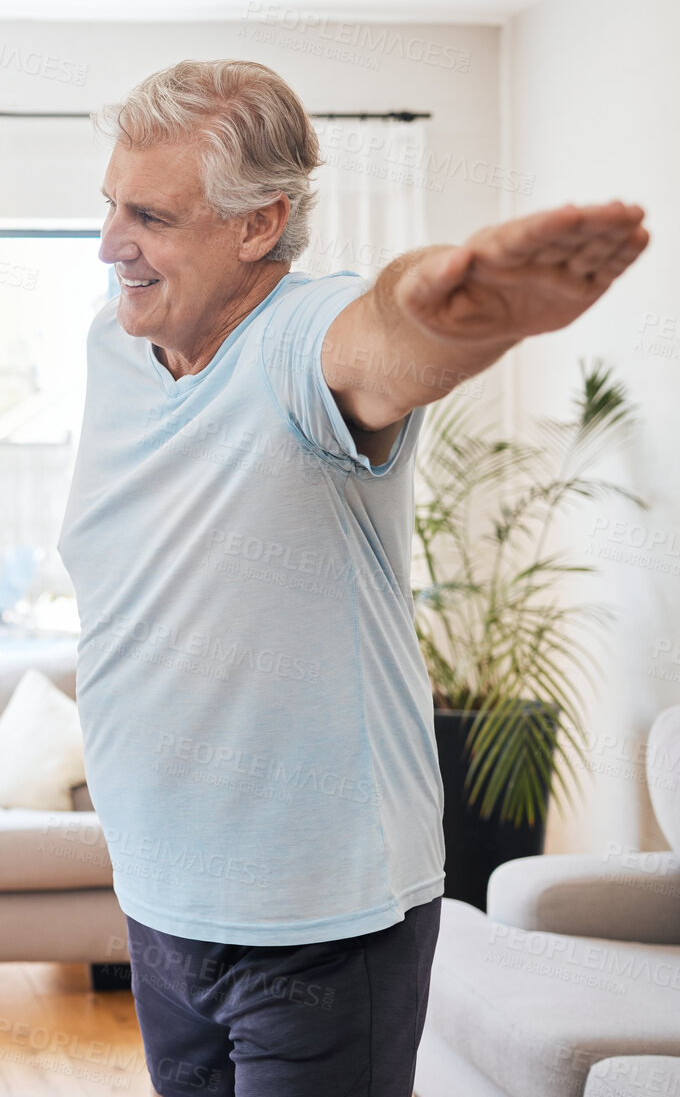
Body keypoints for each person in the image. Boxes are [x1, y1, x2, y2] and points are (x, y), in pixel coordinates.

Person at [57, 59, 647, 1097]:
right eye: (110, 205)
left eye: (147, 215)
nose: (110, 243)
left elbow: (388, 341)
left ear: (257, 224)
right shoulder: (115, 343)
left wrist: (464, 310)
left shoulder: (296, 338)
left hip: (314, 927)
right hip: (158, 900)